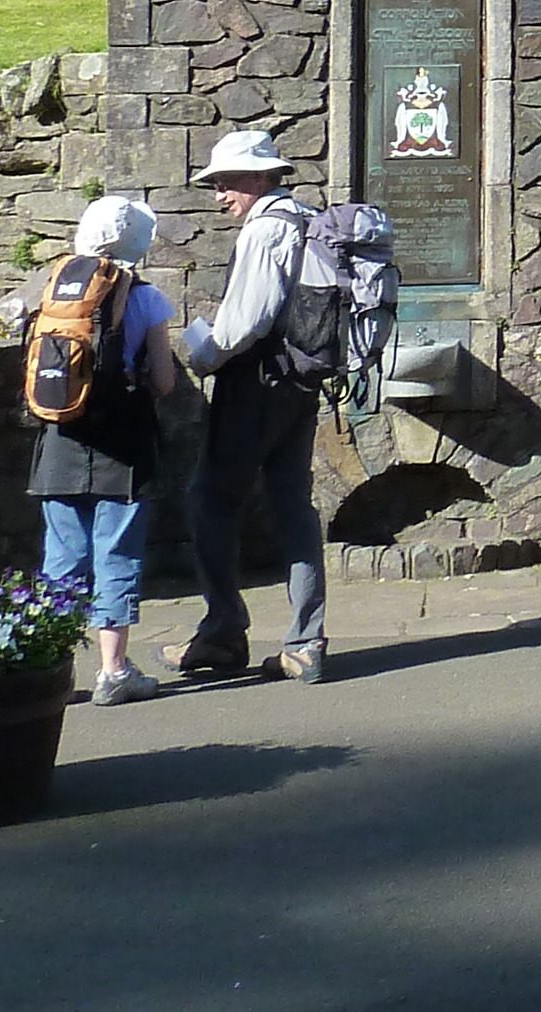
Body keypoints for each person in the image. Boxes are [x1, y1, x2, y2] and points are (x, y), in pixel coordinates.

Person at [172, 127, 328, 685]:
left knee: (210, 499)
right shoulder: (306, 219)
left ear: (259, 177)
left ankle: (222, 630)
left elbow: (247, 320)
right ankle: (305, 643)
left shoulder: (264, 230)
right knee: (292, 506)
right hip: (300, 382)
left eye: (226, 182)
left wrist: (203, 357)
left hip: (255, 384)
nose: (219, 194)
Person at [32, 196, 188, 708]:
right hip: (123, 444)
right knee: (116, 554)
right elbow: (164, 382)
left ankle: (48, 669)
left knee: (62, 558)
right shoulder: (146, 298)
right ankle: (114, 671)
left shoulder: (52, 286)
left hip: (60, 440)